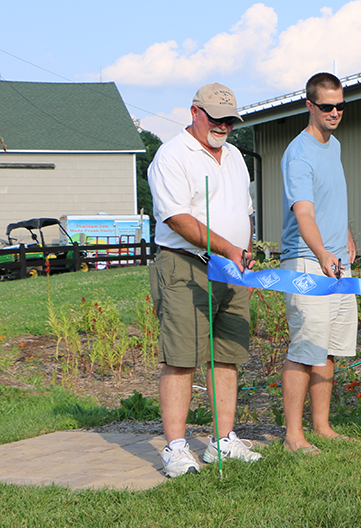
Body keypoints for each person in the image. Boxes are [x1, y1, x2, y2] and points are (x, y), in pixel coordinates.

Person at [148, 82, 262, 477]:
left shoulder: (233, 156)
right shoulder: (171, 156)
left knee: (227, 353)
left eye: (230, 120)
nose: (223, 126)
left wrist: (241, 253)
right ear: (194, 112)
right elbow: (177, 218)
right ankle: (176, 448)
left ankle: (222, 441)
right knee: (181, 359)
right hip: (185, 265)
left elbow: (244, 209)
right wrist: (228, 249)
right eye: (216, 118)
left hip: (232, 268)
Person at [279, 72, 360, 454]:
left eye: (340, 106)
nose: (335, 113)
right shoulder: (298, 152)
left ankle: (322, 427)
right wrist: (322, 253)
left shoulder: (336, 145)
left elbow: (331, 201)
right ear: (309, 105)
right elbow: (305, 213)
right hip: (307, 261)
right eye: (327, 106)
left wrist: (344, 237)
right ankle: (293, 436)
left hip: (337, 261)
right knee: (305, 347)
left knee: (328, 348)